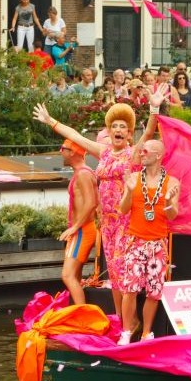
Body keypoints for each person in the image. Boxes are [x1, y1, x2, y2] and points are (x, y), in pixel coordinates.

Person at [34, 87, 165, 321]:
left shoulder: (133, 154)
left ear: (129, 133)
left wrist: (154, 108)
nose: (117, 129)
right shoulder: (103, 152)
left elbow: (149, 134)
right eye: (114, 126)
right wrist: (49, 121)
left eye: (122, 126)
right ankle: (121, 320)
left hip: (126, 222)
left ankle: (130, 323)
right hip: (107, 224)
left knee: (125, 275)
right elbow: (75, 136)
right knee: (114, 275)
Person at [117, 139, 181, 344]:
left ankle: (146, 332)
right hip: (135, 241)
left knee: (154, 293)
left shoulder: (172, 182)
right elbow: (123, 209)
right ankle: (126, 331)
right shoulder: (135, 178)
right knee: (130, 289)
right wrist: (128, 190)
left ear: (158, 155)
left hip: (157, 244)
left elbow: (172, 216)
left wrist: (170, 201)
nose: (141, 154)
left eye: (145, 151)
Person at [55, 138, 99, 306]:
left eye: (63, 148)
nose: (61, 152)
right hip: (82, 229)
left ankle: (81, 316)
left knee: (67, 275)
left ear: (72, 152)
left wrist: (74, 227)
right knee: (75, 277)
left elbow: (91, 203)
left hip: (82, 230)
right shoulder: (82, 172)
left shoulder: (83, 173)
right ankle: (78, 312)